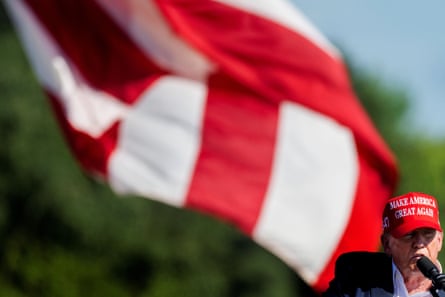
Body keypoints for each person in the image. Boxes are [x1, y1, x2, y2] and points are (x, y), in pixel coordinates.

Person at [322, 192, 444, 297]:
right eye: (409, 234)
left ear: (439, 240)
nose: (419, 243)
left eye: (428, 234)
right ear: (387, 244)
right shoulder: (356, 278)